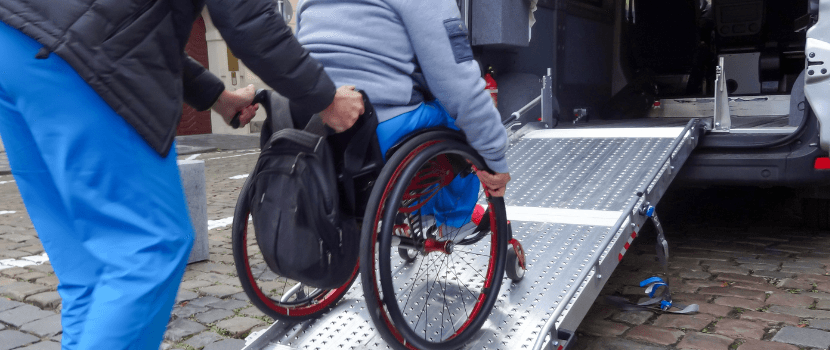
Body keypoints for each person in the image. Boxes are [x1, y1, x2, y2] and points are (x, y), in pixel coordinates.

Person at [0, 1, 363, 349]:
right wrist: (326, 99)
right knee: (149, 248)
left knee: (89, 273)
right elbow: (248, 19)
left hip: (14, 44)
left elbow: (134, 22)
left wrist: (217, 97)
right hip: (81, 60)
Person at [295, 0, 511, 233]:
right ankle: (453, 220)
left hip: (311, 126)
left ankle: (424, 213)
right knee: (460, 119)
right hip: (375, 130)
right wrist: (494, 157)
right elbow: (461, 86)